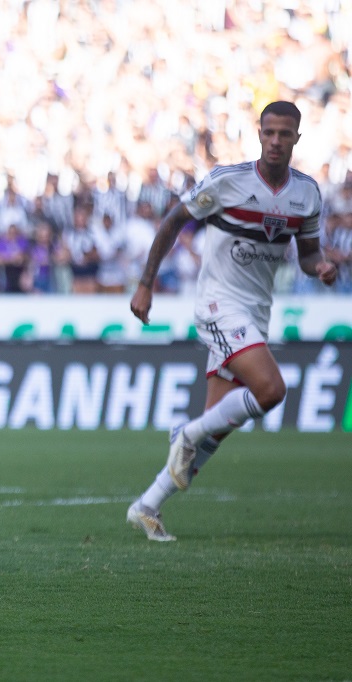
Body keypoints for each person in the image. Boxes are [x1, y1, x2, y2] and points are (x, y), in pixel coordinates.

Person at [126, 101, 337, 541]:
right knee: (271, 390)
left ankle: (147, 504)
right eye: (269, 133)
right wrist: (146, 283)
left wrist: (320, 268)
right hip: (218, 303)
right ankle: (184, 433)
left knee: (215, 428)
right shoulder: (227, 182)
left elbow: (308, 254)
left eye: (285, 134)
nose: (276, 141)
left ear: (297, 138)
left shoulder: (307, 194)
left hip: (257, 310)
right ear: (258, 134)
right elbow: (173, 222)